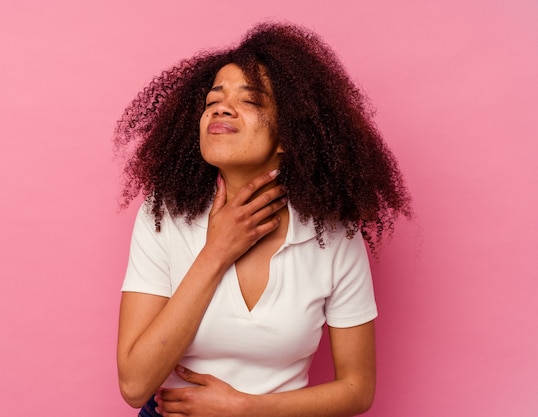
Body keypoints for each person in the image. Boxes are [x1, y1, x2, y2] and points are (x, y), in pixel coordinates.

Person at [115, 22, 411, 417]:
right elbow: (135, 385)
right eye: (212, 101)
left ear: (288, 134)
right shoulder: (162, 215)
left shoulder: (332, 236)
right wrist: (217, 251)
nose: (220, 107)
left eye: (251, 101)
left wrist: (245, 409)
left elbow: (358, 390)